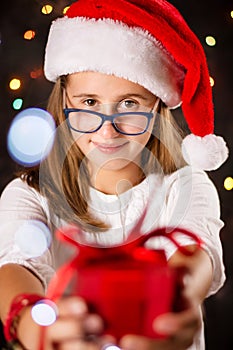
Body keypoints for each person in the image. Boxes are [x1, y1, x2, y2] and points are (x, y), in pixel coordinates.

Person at [0, 0, 229, 349]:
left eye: (130, 104)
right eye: (89, 103)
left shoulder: (186, 185)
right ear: (65, 101)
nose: (107, 133)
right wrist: (31, 321)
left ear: (157, 106)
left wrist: (177, 298)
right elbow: (16, 265)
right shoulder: (29, 194)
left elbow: (195, 254)